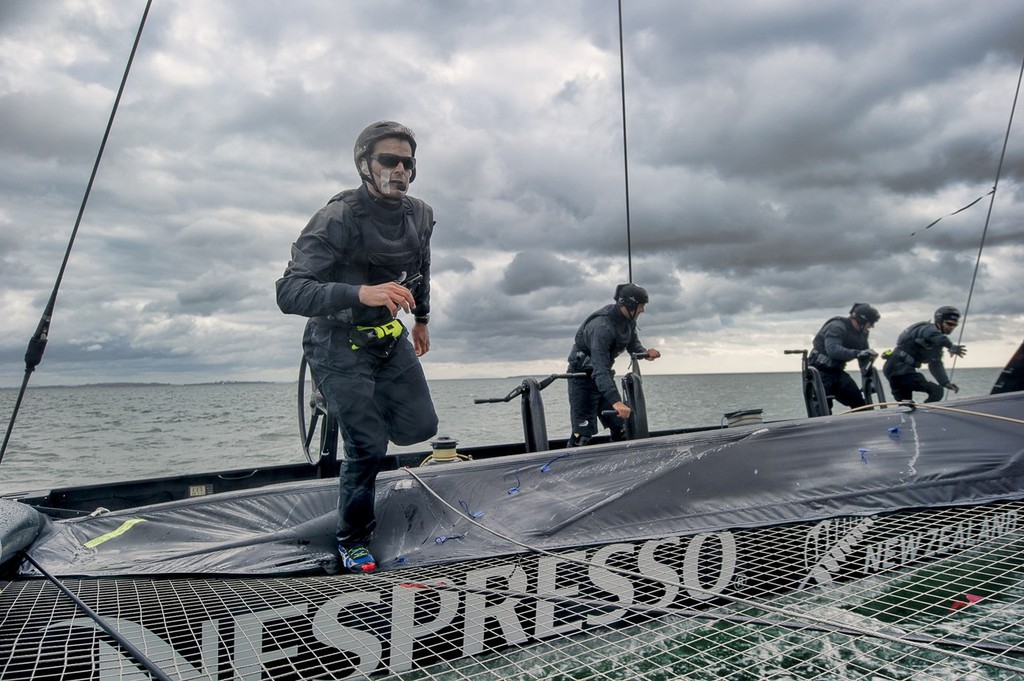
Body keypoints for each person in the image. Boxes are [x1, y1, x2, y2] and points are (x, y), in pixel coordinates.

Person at [276, 120, 438, 573]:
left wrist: (421, 318)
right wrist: (360, 293)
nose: (400, 169)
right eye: (390, 160)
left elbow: (420, 267)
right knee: (367, 446)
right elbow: (289, 292)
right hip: (336, 342)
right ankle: (352, 538)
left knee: (419, 426)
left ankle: (349, 408)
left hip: (388, 340)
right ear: (365, 164)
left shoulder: (421, 215)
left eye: (408, 162)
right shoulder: (338, 216)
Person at [565, 283, 661, 447]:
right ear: (629, 305)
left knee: (621, 427)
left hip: (602, 376)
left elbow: (632, 344)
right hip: (582, 378)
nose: (642, 310)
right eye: (641, 306)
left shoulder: (628, 320)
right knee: (582, 435)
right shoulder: (601, 327)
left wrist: (644, 353)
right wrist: (616, 401)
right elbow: (599, 369)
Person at [883, 306, 967, 403]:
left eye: (954, 325)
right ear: (939, 321)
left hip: (901, 370)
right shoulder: (926, 328)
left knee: (905, 403)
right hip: (899, 368)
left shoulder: (937, 344)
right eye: (949, 324)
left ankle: (912, 415)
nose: (951, 327)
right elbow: (930, 333)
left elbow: (935, 364)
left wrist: (945, 383)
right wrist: (950, 345)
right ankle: (926, 413)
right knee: (937, 391)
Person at [806, 303, 881, 413]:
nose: (870, 327)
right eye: (869, 323)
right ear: (861, 320)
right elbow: (833, 351)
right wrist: (859, 353)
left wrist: (869, 378)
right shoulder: (836, 326)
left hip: (837, 372)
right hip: (819, 373)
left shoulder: (862, 334)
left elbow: (863, 358)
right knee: (822, 410)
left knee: (860, 404)